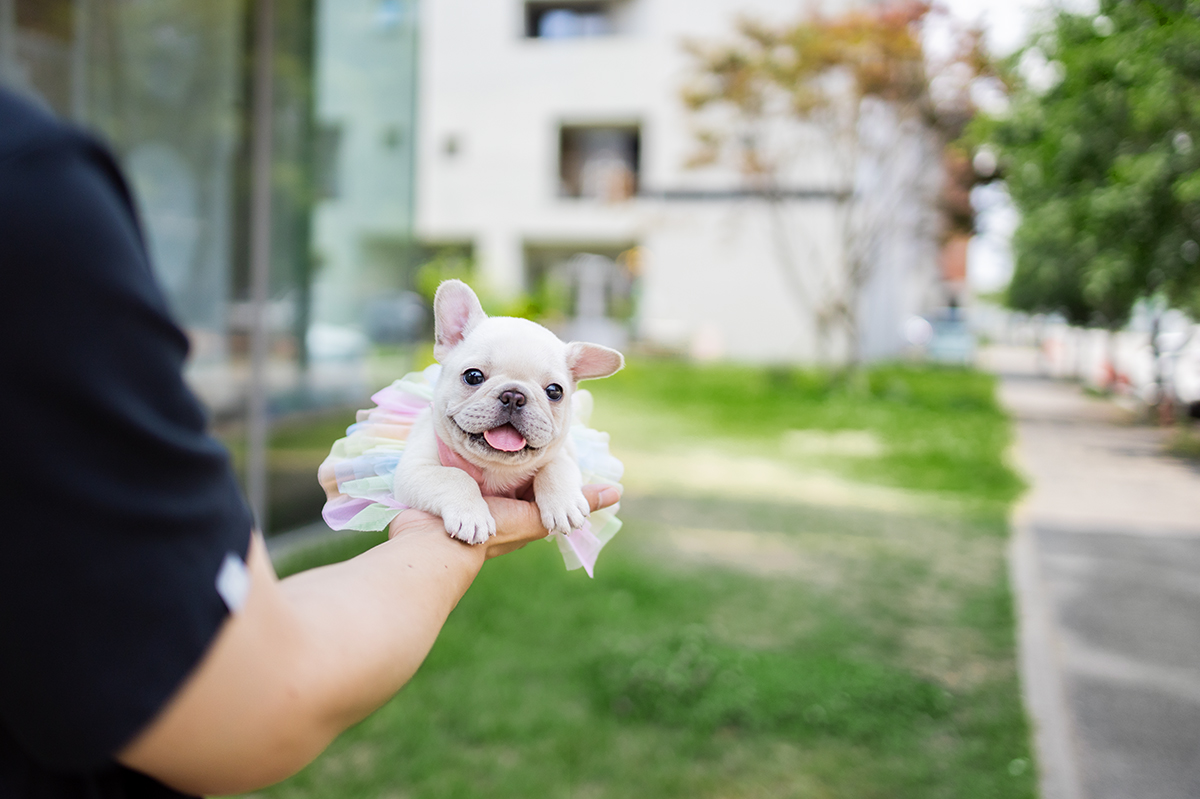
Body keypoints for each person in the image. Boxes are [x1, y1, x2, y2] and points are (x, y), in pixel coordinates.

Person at [0, 87, 620, 798]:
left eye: (546, 392)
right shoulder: (33, 189)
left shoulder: (31, 178)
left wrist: (551, 479)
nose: (511, 401)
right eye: (479, 377)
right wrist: (441, 540)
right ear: (449, 345)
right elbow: (254, 699)